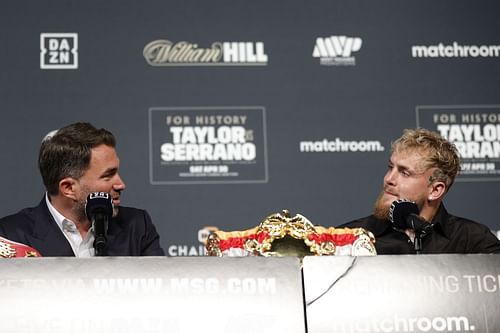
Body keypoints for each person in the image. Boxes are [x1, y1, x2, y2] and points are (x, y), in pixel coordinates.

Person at [0, 122, 165, 257]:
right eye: (108, 176)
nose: (121, 184)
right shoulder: (9, 236)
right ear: (69, 188)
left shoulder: (136, 226)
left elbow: (160, 291)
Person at [339, 128, 500, 254]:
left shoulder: (472, 241)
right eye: (390, 168)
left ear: (435, 190)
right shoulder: (350, 237)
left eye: (404, 173)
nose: (388, 179)